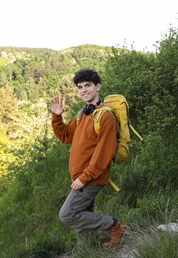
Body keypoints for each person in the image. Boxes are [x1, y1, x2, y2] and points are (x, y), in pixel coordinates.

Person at [51, 68, 127, 248]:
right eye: (80, 87)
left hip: (92, 177)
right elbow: (65, 136)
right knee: (82, 214)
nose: (84, 90)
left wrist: (84, 178)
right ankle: (85, 249)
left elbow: (103, 154)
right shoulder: (84, 113)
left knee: (68, 214)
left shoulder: (105, 116)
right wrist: (56, 116)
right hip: (81, 176)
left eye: (88, 85)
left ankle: (115, 226)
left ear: (97, 86)